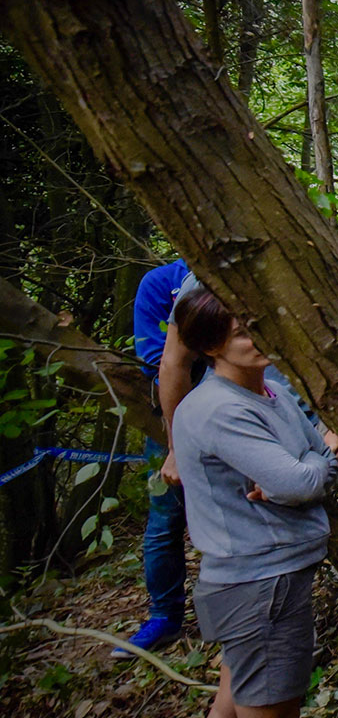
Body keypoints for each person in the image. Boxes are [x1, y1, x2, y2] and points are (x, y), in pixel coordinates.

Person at [168, 287, 335, 718]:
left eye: (255, 322)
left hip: (256, 579)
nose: (253, 336)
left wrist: (309, 460)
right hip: (257, 585)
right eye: (237, 331)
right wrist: (316, 461)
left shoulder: (268, 388)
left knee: (232, 707)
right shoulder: (215, 409)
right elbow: (300, 478)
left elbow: (306, 456)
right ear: (210, 346)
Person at [117, 258, 197, 658]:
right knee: (165, 516)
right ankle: (164, 615)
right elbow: (155, 356)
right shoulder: (160, 282)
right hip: (169, 417)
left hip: (244, 405)